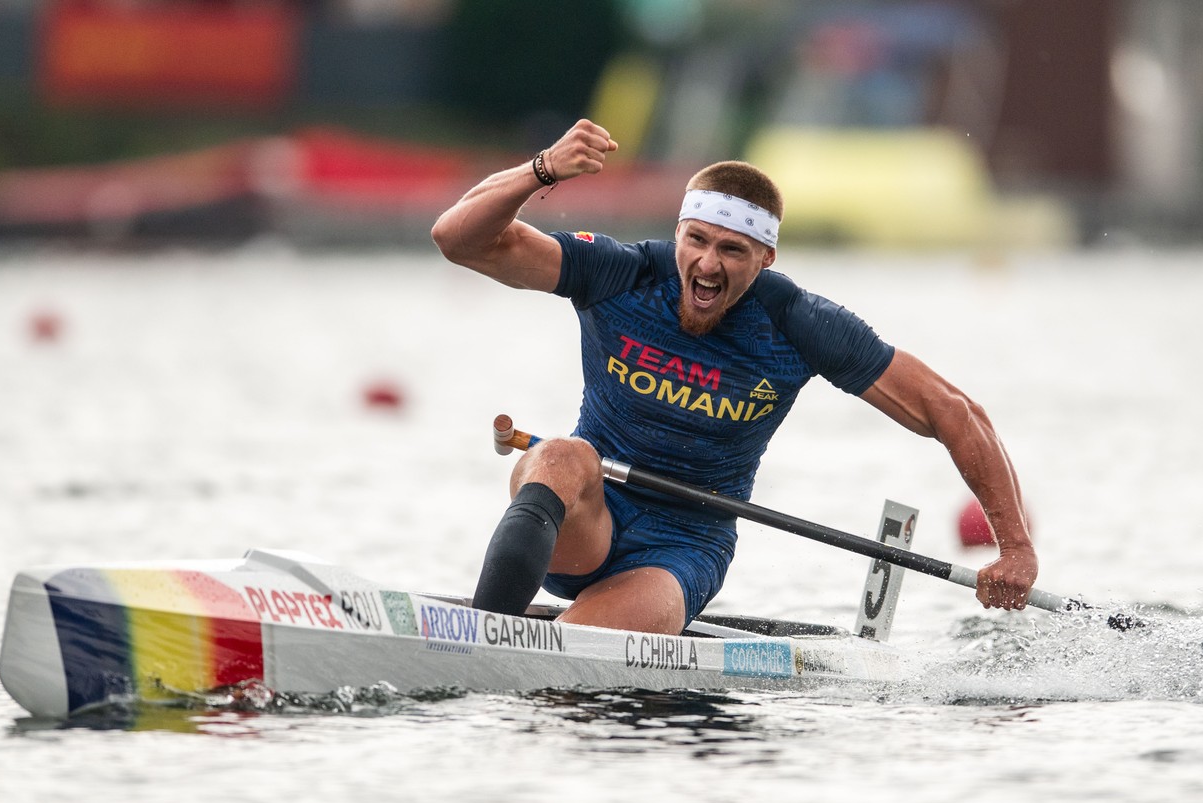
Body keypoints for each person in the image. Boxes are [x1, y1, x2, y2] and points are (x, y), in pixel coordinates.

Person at [431, 119, 1037, 635]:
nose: (708, 264)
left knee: (580, 663)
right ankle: (489, 633)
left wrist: (1015, 549)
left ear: (766, 257)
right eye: (696, 241)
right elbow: (458, 238)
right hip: (589, 513)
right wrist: (543, 170)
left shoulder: (799, 322)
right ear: (678, 233)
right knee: (560, 454)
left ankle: (530, 644)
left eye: (733, 250)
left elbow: (954, 411)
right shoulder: (621, 274)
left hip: (683, 548)